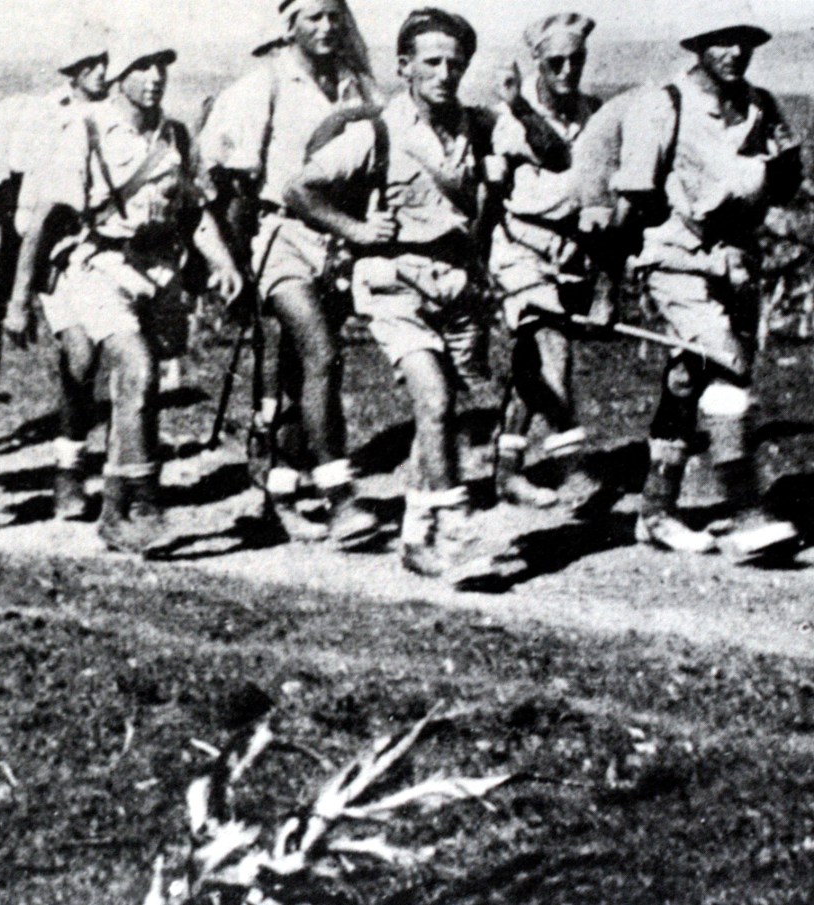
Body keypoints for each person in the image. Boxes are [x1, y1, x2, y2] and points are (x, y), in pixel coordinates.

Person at [285, 8, 515, 584]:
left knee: (439, 412)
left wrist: (522, 109)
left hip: (455, 288)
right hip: (393, 286)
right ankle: (456, 531)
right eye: (431, 62)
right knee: (434, 401)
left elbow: (553, 158)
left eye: (455, 64)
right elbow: (300, 189)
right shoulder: (377, 132)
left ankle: (416, 539)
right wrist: (358, 231)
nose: (444, 74)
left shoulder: (478, 126)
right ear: (404, 66)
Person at [3, 42, 243, 553]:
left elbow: (193, 210)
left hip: (158, 270)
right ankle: (144, 503)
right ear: (117, 75)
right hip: (99, 265)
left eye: (161, 67)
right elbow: (46, 217)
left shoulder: (175, 134)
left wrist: (223, 262)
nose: (154, 77)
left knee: (141, 387)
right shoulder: (84, 128)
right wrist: (20, 297)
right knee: (136, 368)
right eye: (141, 66)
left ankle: (114, 511)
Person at [605, 12, 803, 561]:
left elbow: (783, 187)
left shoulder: (762, 106)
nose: (735, 53)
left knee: (687, 379)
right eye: (722, 42)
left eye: (744, 42)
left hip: (736, 264)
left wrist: (784, 167)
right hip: (675, 259)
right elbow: (632, 200)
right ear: (697, 46)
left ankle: (655, 511)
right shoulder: (664, 105)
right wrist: (605, 284)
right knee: (728, 367)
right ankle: (747, 511)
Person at [198, 0, 383, 548]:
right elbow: (231, 181)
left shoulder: (356, 86)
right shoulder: (266, 85)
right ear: (290, 25)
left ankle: (278, 494)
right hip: (279, 235)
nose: (326, 27)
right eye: (312, 17)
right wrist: (234, 266)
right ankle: (340, 496)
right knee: (322, 354)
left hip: (339, 241)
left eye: (333, 16)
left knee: (294, 375)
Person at [488, 14, 604, 509]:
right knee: (552, 349)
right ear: (537, 61)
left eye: (576, 60)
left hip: (571, 255)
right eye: (555, 61)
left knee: (529, 364)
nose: (567, 70)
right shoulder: (510, 116)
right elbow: (496, 189)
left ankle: (506, 470)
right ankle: (573, 467)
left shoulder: (594, 113)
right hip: (520, 251)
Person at [0, 42, 108, 321]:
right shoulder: (46, 109)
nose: (101, 71)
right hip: (44, 213)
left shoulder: (112, 111)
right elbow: (19, 162)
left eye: (104, 63)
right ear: (74, 70)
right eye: (91, 64)